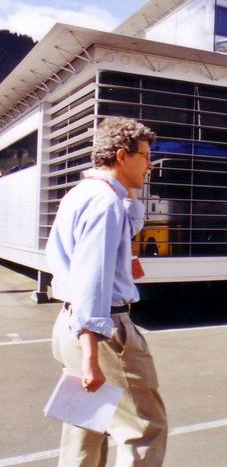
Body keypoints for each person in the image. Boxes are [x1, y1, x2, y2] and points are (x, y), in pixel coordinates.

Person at [46, 117, 168, 465]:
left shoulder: (84, 194)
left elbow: (126, 228)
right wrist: (91, 355)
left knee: (86, 425)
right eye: (145, 156)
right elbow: (93, 277)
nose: (150, 165)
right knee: (144, 428)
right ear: (121, 155)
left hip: (71, 323)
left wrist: (129, 190)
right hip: (103, 330)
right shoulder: (105, 203)